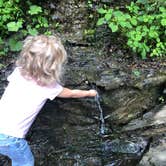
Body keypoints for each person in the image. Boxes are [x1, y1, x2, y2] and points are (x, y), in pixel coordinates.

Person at [0, 35, 97, 166]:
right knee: (25, 162)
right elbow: (72, 94)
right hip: (11, 139)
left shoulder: (18, 72)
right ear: (53, 68)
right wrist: (90, 93)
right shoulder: (48, 87)